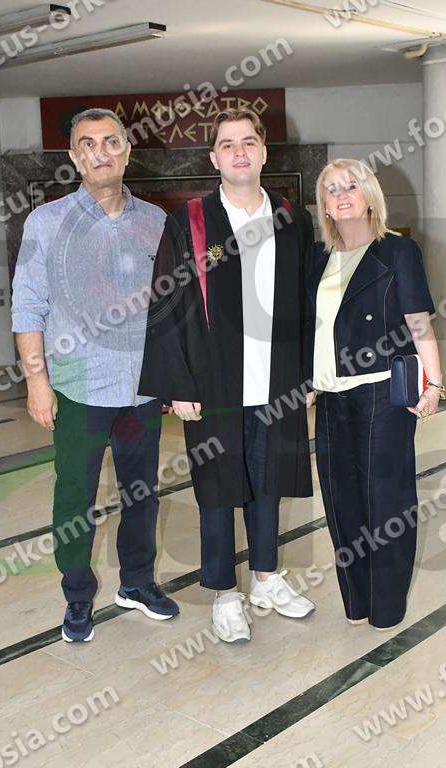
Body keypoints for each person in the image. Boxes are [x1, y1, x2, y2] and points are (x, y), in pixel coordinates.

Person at [139, 108, 315, 643]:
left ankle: (265, 577)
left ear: (264, 152)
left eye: (248, 142)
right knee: (217, 487)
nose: (240, 152)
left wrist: (308, 374)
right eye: (228, 144)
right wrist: (177, 386)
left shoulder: (291, 217)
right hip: (213, 382)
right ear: (214, 158)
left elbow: (307, 300)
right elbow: (166, 302)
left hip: (277, 378)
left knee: (269, 480)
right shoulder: (191, 221)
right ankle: (224, 592)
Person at [11, 108, 179, 643]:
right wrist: (37, 382)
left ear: (128, 150)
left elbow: (170, 307)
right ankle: (78, 595)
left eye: (111, 141)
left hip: (140, 390)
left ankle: (137, 583)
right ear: (73, 156)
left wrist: (174, 378)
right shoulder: (46, 223)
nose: (100, 151)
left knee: (141, 493)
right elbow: (27, 307)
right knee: (74, 497)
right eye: (88, 143)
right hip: (77, 385)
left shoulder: (156, 221)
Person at [308, 158, 443, 631]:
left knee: (386, 503)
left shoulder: (398, 252)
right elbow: (312, 328)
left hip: (383, 394)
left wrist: (434, 383)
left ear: (369, 194)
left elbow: (419, 324)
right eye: (331, 189)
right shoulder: (318, 258)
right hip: (331, 397)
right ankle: (358, 602)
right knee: (341, 503)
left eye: (350, 186)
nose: (341, 195)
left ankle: (387, 606)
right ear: (324, 204)